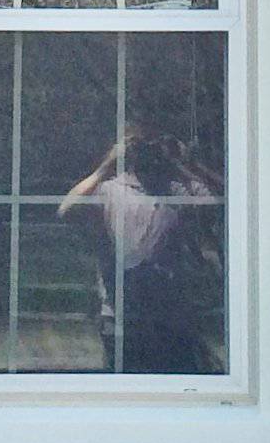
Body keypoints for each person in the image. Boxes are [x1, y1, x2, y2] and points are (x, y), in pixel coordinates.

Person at [61, 127, 223, 372]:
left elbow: (219, 206)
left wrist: (186, 165)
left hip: (169, 315)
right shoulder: (113, 189)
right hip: (124, 313)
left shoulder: (178, 190)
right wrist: (106, 167)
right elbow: (67, 209)